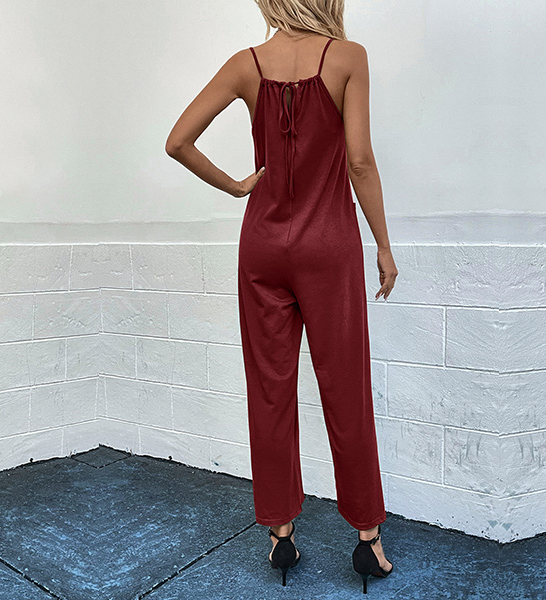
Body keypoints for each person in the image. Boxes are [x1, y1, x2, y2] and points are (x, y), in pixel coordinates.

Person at [165, 0, 398, 593]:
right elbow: (360, 160)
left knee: (269, 388)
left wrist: (238, 186)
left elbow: (178, 141)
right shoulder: (348, 58)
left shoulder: (245, 64)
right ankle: (367, 539)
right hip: (328, 246)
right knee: (346, 387)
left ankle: (281, 535)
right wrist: (383, 244)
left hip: (262, 246)